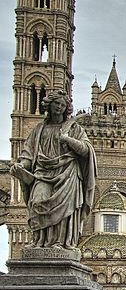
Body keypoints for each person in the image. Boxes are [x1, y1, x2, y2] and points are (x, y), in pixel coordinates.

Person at [9, 87, 96, 249]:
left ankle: (59, 243)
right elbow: (28, 154)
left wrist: (68, 140)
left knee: (64, 211)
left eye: (62, 105)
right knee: (37, 201)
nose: (59, 107)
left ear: (66, 108)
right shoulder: (39, 130)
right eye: (56, 103)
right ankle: (39, 242)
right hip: (42, 173)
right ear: (49, 105)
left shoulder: (74, 129)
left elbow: (86, 150)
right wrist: (21, 165)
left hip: (67, 174)